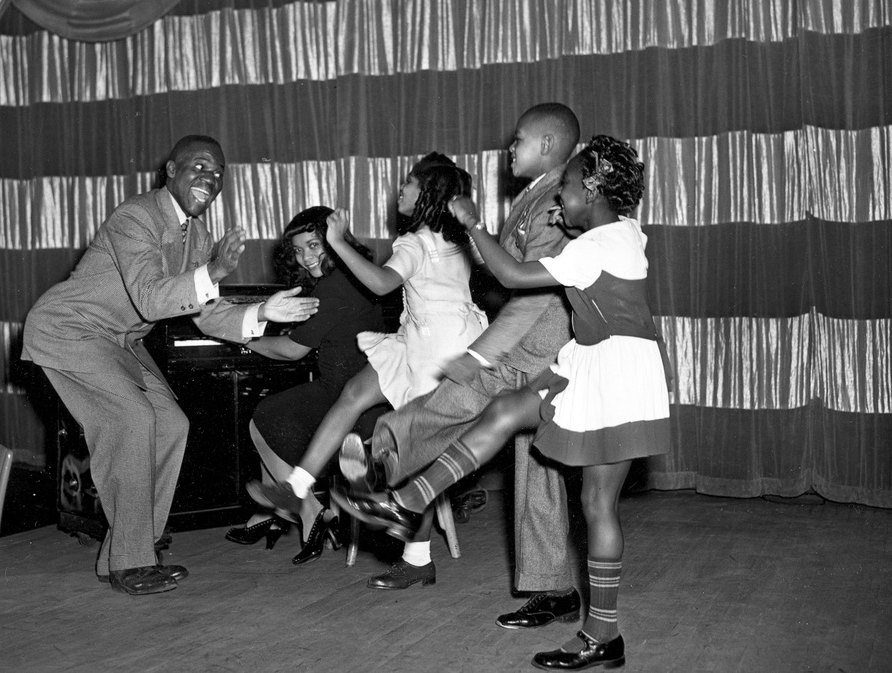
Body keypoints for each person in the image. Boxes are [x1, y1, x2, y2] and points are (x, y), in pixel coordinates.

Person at [336, 135, 671, 670]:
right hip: (592, 359)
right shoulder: (624, 231)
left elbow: (515, 277)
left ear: (592, 188)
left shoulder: (595, 247)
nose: (559, 203)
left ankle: (603, 635)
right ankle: (410, 501)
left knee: (596, 505)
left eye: (565, 190)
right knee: (504, 411)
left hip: (616, 376)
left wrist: (471, 223)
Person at [22, 135, 320, 596]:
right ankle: (132, 561)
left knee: (171, 424)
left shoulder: (196, 234)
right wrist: (215, 272)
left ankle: (122, 554)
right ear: (171, 171)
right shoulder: (136, 216)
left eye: (218, 173)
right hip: (71, 329)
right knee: (134, 420)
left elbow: (205, 311)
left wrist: (263, 313)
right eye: (199, 167)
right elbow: (150, 297)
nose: (210, 179)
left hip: (119, 339)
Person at [339, 103, 583, 597]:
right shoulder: (535, 198)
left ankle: (386, 466)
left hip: (535, 349)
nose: (508, 148)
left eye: (517, 139)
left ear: (547, 145)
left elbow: (531, 290)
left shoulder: (559, 200)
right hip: (523, 344)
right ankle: (550, 588)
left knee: (457, 404)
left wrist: (479, 354)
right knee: (534, 469)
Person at [248, 154, 489, 577]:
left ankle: (417, 559)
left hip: (435, 351)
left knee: (416, 456)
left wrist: (337, 240)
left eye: (410, 184)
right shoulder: (451, 239)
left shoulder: (415, 244)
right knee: (355, 394)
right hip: (430, 337)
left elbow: (380, 283)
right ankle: (297, 487)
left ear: (427, 196)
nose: (401, 189)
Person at [225, 206, 386, 564]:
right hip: (363, 392)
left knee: (263, 418)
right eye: (298, 250)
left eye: (314, 245)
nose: (306, 257)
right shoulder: (350, 276)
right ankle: (278, 514)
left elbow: (291, 351)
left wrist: (243, 337)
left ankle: (308, 511)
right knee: (277, 413)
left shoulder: (335, 285)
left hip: (351, 401)